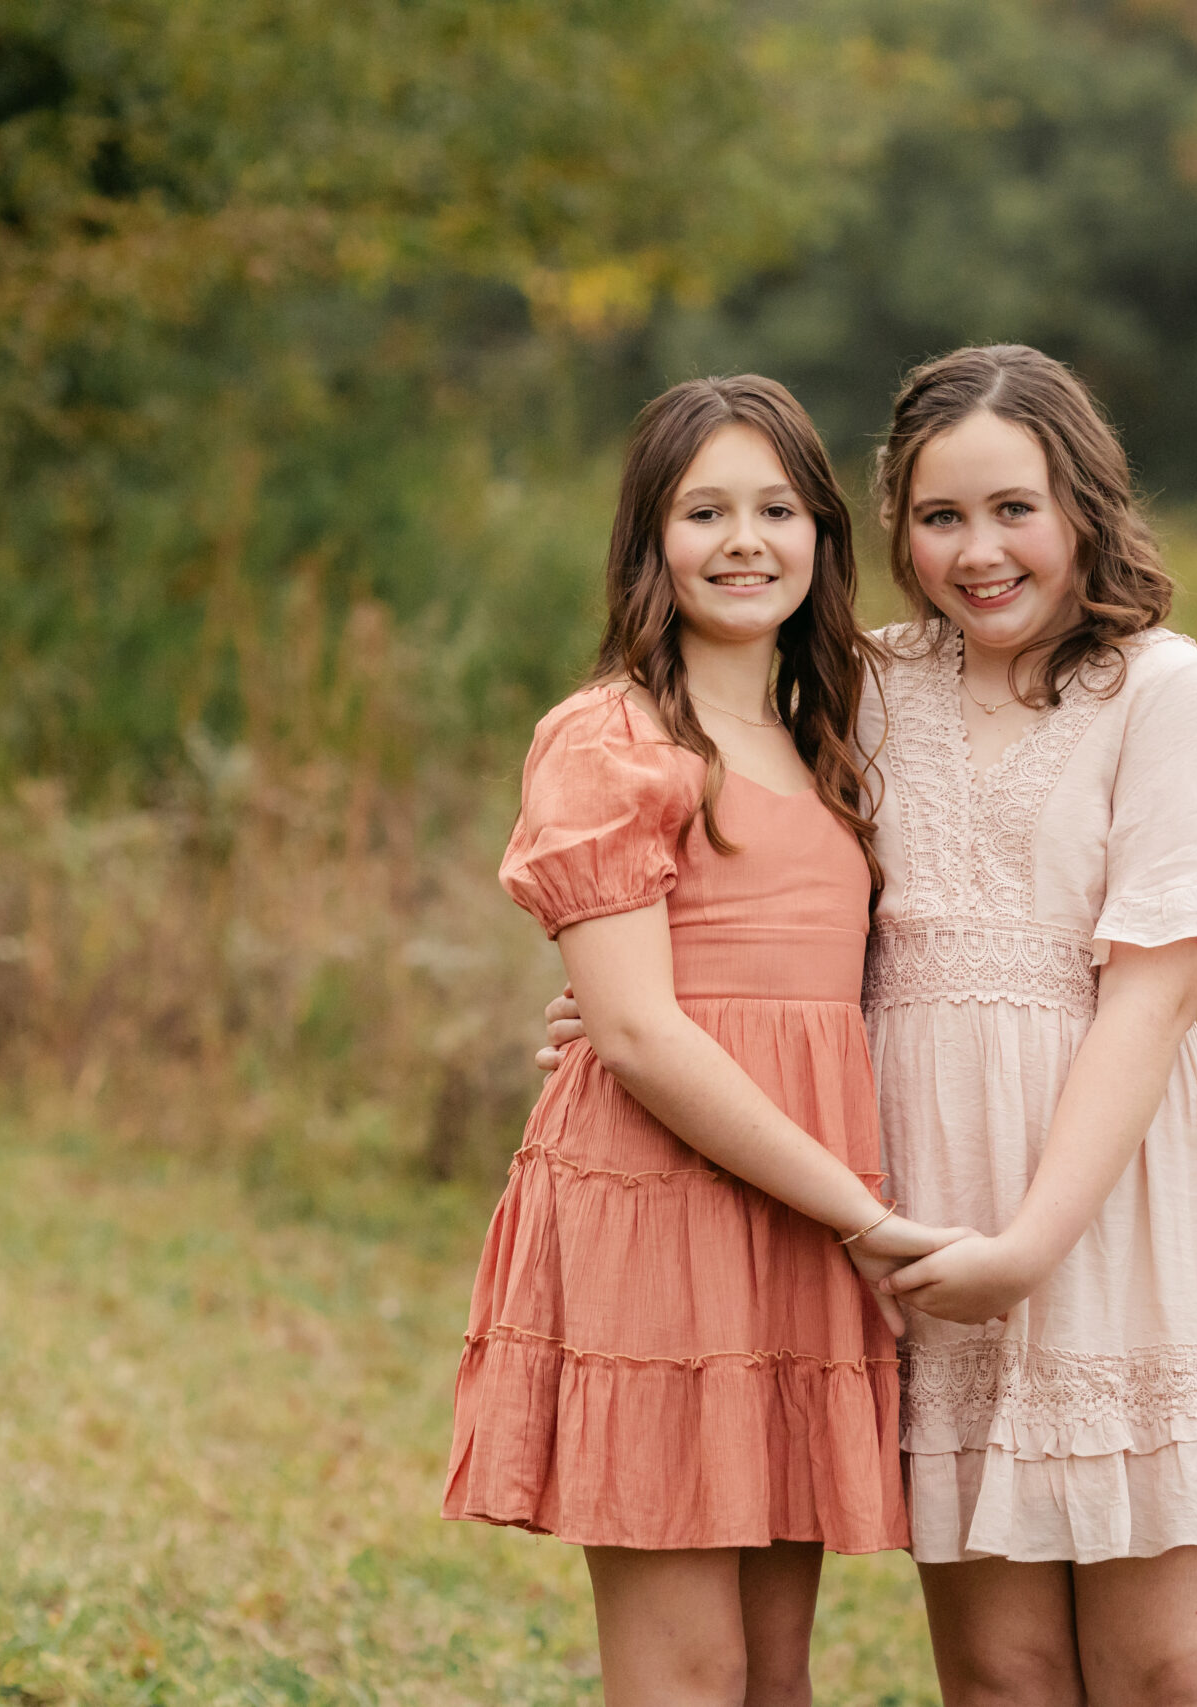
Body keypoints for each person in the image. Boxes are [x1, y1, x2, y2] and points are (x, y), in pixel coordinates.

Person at [545, 346, 1197, 1706]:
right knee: (1003, 1673)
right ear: (894, 529)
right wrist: (626, 1012)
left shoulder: (1156, 687)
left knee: (1172, 1671)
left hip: (1106, 1199)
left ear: (1082, 506)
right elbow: (766, 897)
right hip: (921, 1200)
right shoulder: (860, 686)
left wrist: (1034, 1243)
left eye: (1015, 509)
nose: (980, 552)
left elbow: (1155, 991)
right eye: (940, 516)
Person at [446, 374, 965, 1707]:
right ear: (649, 541)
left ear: (823, 536)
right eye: (706, 511)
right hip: (670, 1208)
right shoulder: (612, 738)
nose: (746, 541)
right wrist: (859, 1211)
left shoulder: (832, 732)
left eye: (778, 508)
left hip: (793, 1214)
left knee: (777, 1671)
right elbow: (635, 1028)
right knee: (690, 1669)